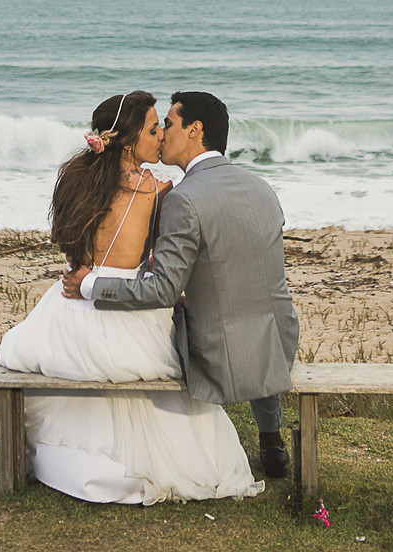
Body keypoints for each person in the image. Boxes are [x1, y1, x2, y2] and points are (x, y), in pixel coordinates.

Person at [0, 90, 263, 505]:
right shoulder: (159, 191)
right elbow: (161, 262)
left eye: (162, 129)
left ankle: (71, 458)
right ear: (128, 138)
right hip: (126, 311)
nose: (161, 139)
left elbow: (68, 245)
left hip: (70, 307)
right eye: (154, 130)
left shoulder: (75, 176)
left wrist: (89, 274)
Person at [63, 90, 300, 478]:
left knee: (157, 323)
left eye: (168, 125)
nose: (161, 135)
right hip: (279, 343)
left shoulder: (184, 199)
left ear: (195, 130)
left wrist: (90, 285)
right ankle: (270, 436)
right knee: (250, 297)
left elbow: (162, 292)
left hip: (221, 354)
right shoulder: (262, 188)